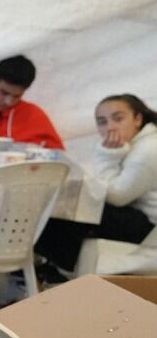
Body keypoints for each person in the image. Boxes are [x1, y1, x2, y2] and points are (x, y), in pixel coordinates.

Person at [34, 94, 157, 277]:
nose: (110, 127)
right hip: (136, 216)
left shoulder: (148, 150)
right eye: (102, 122)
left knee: (62, 210)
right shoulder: (134, 144)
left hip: (149, 228)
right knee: (61, 208)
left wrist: (107, 155)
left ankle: (61, 270)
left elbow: (117, 196)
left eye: (118, 118)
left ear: (138, 119)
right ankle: (58, 268)